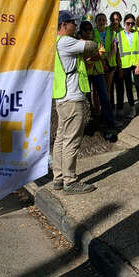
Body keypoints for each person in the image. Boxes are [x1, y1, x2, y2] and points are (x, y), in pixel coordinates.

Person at [52, 11, 101, 194]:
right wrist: (89, 37)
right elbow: (91, 45)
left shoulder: (55, 43)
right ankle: (70, 181)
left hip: (61, 97)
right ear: (64, 25)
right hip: (72, 98)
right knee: (71, 140)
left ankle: (58, 178)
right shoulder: (66, 41)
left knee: (61, 139)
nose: (76, 26)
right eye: (73, 23)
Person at [86, 17, 118, 137]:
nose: (101, 21)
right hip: (93, 68)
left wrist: (106, 59)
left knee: (106, 92)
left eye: (103, 19)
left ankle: (107, 118)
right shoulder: (92, 33)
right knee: (94, 94)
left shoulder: (111, 32)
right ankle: (97, 115)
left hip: (107, 64)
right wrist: (100, 58)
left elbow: (112, 48)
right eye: (99, 19)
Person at [115, 13, 139, 117]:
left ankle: (138, 107)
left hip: (135, 62)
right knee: (128, 87)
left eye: (132, 23)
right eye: (128, 23)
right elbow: (117, 52)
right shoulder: (119, 35)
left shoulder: (137, 34)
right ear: (124, 23)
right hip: (124, 64)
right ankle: (129, 108)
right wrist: (119, 66)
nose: (130, 25)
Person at [108, 11, 127, 114]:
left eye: (118, 19)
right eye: (114, 19)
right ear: (111, 20)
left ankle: (120, 108)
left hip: (120, 63)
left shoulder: (122, 31)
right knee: (110, 88)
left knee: (120, 87)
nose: (116, 21)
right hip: (110, 64)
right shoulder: (108, 31)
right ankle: (111, 109)